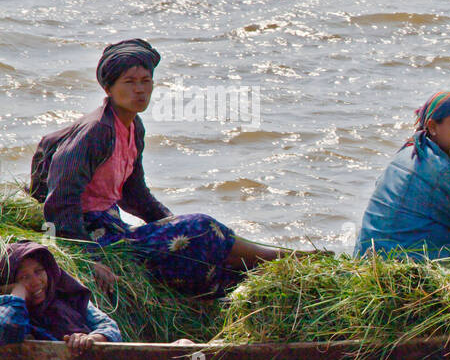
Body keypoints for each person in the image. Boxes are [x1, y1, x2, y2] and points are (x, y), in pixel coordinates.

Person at [30, 39, 296, 296]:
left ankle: (272, 267)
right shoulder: (97, 131)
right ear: (108, 89)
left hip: (114, 230)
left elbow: (135, 195)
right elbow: (62, 200)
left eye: (146, 82)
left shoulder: (134, 128)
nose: (140, 90)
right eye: (130, 82)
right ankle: (281, 257)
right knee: (201, 226)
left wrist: (170, 222)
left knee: (203, 255)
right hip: (90, 236)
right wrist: (88, 259)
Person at [354, 90, 450, 259]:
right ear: (433, 127)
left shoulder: (409, 151)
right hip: (404, 264)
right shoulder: (440, 168)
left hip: (366, 258)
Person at [0, 241, 122, 350]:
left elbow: (109, 327)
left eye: (38, 271)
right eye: (24, 277)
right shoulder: (9, 308)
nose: (36, 282)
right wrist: (16, 294)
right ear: (10, 282)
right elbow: (6, 328)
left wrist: (93, 338)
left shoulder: (67, 296)